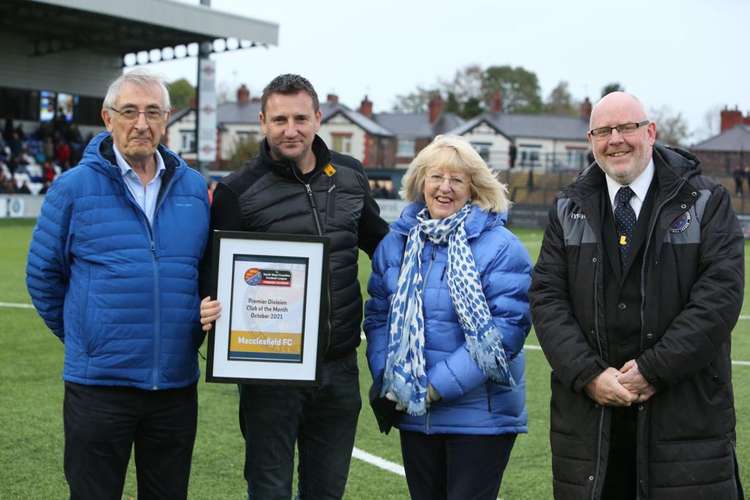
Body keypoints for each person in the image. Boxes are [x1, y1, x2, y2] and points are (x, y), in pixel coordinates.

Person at [530, 92, 744, 500]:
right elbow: (547, 299)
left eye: (626, 127)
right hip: (590, 429)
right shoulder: (566, 207)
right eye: (603, 131)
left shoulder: (705, 201)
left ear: (650, 132)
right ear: (591, 140)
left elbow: (719, 299)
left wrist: (652, 370)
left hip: (683, 422)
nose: (615, 140)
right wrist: (589, 375)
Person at [199, 73, 388, 500]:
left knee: (327, 491)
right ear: (263, 121)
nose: (291, 129)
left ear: (318, 118)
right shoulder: (236, 190)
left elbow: (384, 246)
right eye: (280, 119)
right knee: (269, 490)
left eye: (300, 118)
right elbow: (215, 277)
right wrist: (206, 308)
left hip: (338, 367)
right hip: (270, 375)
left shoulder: (351, 177)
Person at [26, 69, 210, 500]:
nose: (141, 124)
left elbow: (203, 272)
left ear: (166, 120)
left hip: (174, 387)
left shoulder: (194, 188)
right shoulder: (72, 188)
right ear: (108, 119)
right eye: (129, 111)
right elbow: (42, 276)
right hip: (98, 388)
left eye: (152, 112)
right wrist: (86, 338)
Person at [364, 135, 532, 500]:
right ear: (419, 182)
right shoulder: (396, 244)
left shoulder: (502, 247)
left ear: (473, 187)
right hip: (412, 411)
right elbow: (378, 317)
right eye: (435, 177)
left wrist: (434, 387)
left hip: (480, 419)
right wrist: (390, 377)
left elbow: (506, 332)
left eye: (457, 179)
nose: (445, 188)